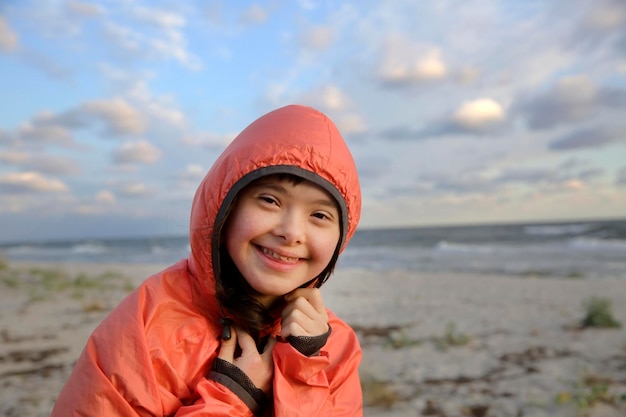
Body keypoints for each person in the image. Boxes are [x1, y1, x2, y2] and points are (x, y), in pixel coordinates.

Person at [50, 104, 363, 416]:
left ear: (340, 238)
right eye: (270, 200)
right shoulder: (147, 325)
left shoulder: (334, 346)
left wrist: (303, 369)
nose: (291, 232)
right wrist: (235, 397)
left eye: (319, 215)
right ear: (225, 206)